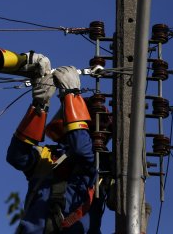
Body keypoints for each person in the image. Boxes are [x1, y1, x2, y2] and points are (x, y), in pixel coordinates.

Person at [6, 66, 102, 233]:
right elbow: (17, 157)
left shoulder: (99, 162)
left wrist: (71, 95)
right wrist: (39, 106)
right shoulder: (47, 155)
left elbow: (80, 148)